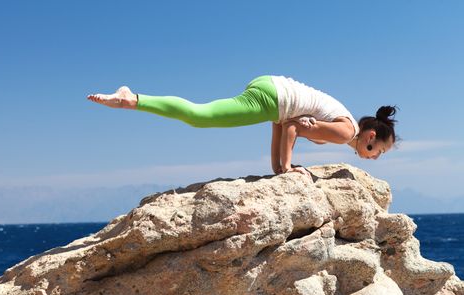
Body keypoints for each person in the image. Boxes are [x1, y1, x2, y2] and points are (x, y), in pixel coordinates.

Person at [87, 75, 398, 178]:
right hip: (273, 96)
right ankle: (132, 99)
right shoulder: (346, 132)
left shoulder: (342, 124)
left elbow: (284, 123)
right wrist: (288, 167)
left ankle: (133, 100)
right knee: (200, 116)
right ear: (370, 137)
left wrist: (278, 166)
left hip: (273, 91)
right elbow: (292, 129)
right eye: (378, 151)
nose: (373, 157)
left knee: (202, 116)